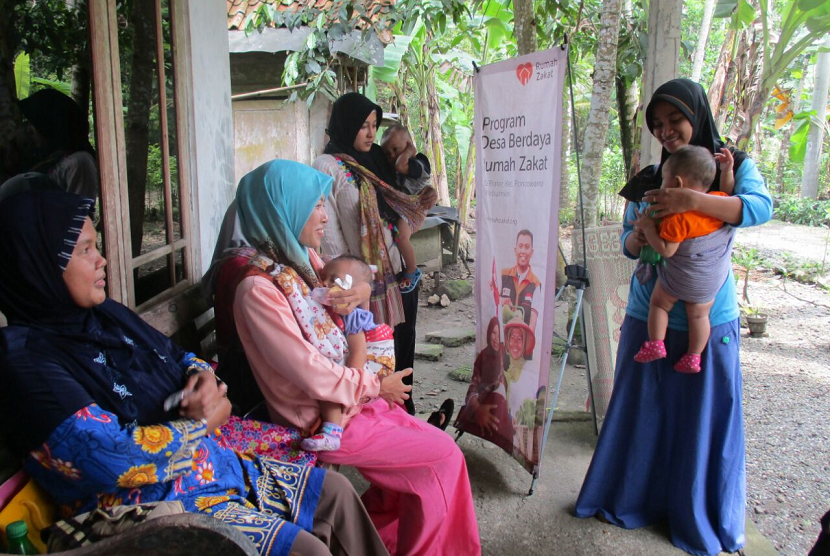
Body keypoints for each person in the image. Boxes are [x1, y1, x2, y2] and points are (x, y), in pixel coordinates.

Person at [0, 187, 389, 556]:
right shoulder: (26, 360)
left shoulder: (103, 317)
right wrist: (202, 424)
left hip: (208, 466)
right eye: (85, 250)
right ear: (39, 266)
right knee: (309, 551)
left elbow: (180, 357)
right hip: (147, 507)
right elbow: (107, 458)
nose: (102, 259)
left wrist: (205, 379)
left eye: (96, 245)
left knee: (335, 493)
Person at [216, 159, 481, 556]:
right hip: (318, 419)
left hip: (350, 399)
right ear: (282, 209)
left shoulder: (302, 261)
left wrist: (358, 295)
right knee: (442, 459)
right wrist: (377, 385)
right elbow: (311, 374)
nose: (324, 215)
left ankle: (391, 542)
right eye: (315, 205)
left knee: (424, 468)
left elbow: (354, 284)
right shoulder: (258, 289)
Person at [574, 78, 772, 556]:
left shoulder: (732, 165)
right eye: (657, 124)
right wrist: (638, 238)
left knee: (702, 419)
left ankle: (697, 512)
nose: (666, 131)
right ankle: (633, 497)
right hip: (650, 314)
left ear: (697, 114)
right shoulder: (649, 177)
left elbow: (760, 208)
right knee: (644, 413)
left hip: (709, 317)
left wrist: (693, 201)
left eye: (675, 120)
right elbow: (627, 243)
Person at [313, 92, 438, 416]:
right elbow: (330, 239)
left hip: (398, 277)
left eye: (374, 125)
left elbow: (412, 187)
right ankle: (387, 425)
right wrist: (349, 284)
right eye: (363, 126)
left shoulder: (376, 162)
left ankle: (408, 417)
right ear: (346, 125)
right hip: (364, 288)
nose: (371, 133)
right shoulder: (328, 166)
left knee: (402, 352)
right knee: (375, 358)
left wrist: (409, 161)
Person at [632, 145, 733, 373]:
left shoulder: (677, 218)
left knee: (659, 304)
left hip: (681, 279)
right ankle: (694, 356)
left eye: (663, 181)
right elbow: (730, 193)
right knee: (699, 314)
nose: (661, 186)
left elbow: (667, 250)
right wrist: (727, 170)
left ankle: (656, 343)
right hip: (709, 283)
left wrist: (648, 229)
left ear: (676, 183)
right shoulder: (717, 203)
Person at [300, 254, 396, 452]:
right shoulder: (336, 311)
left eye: (333, 280)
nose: (324, 283)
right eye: (323, 278)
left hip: (361, 368)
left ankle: (332, 433)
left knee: (330, 389)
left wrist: (350, 387)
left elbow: (358, 352)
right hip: (358, 370)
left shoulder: (353, 316)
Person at [10, 89, 99, 198]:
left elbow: (80, 211)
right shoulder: (44, 159)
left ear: (50, 125)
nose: (29, 130)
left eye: (34, 124)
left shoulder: (78, 162)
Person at [379, 124, 433, 293]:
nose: (393, 156)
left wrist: (410, 152)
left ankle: (412, 270)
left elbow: (401, 166)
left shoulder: (418, 163)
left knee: (401, 237)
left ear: (409, 144)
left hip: (414, 208)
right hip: (403, 208)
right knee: (398, 237)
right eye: (388, 154)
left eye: (396, 149)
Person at [455, 317, 514, 453]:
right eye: (493, 333)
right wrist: (478, 407)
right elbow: (473, 388)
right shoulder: (484, 356)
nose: (495, 338)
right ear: (488, 334)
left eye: (498, 334)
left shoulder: (506, 356)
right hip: (481, 408)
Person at [500, 229, 541, 340]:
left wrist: (526, 343)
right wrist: (501, 301)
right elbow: (490, 302)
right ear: (515, 250)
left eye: (527, 247)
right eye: (520, 246)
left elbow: (533, 320)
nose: (523, 251)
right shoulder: (503, 275)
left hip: (522, 341)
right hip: (502, 338)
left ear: (531, 252)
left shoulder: (536, 284)